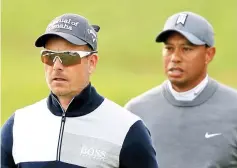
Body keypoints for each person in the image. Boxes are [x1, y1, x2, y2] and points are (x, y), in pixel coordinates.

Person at [1, 13, 158, 168]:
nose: (56, 66)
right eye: (49, 56)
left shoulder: (127, 129)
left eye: (68, 56)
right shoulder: (18, 125)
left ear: (92, 62)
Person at [125, 11, 237, 168]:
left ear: (209, 54)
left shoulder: (233, 109)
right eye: (169, 48)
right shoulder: (136, 111)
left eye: (186, 49)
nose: (175, 57)